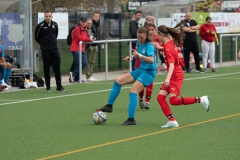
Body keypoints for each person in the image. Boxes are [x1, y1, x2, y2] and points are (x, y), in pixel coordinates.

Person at [96, 26, 157, 125]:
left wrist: (139, 56)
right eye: (138, 37)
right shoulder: (138, 43)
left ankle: (131, 119)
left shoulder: (149, 46)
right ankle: (109, 105)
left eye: (141, 38)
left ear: (146, 36)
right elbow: (137, 54)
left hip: (149, 73)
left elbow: (151, 60)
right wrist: (131, 57)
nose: (139, 39)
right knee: (117, 81)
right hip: (140, 70)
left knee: (133, 91)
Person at [153, 25, 210, 128]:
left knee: (173, 101)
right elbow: (169, 49)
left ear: (161, 35)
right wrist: (160, 47)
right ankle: (172, 120)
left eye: (157, 34)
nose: (157, 36)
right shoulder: (168, 43)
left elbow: (171, 65)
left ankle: (201, 99)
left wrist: (167, 78)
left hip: (176, 75)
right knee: (160, 97)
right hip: (174, 74)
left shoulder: (169, 46)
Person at [35, 11, 66, 93]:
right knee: (47, 68)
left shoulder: (55, 24)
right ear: (44, 17)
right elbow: (37, 37)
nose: (48, 17)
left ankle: (59, 86)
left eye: (49, 16)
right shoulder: (40, 26)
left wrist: (52, 44)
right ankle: (48, 87)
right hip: (46, 50)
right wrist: (44, 45)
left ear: (52, 16)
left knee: (57, 69)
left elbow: (55, 35)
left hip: (55, 49)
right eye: (46, 16)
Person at [136, 23, 158, 110]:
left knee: (149, 82)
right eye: (150, 30)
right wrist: (132, 56)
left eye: (153, 30)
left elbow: (152, 58)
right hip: (141, 65)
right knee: (140, 83)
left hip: (150, 67)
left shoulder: (151, 43)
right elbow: (136, 52)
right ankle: (141, 98)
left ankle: (147, 101)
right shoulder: (139, 41)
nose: (151, 31)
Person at [69, 17, 93, 83]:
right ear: (80, 22)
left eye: (85, 22)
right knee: (78, 63)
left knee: (84, 63)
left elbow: (85, 38)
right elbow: (80, 38)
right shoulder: (77, 28)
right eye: (83, 22)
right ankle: (74, 75)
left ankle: (75, 76)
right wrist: (89, 40)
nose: (84, 23)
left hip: (81, 48)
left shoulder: (85, 29)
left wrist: (89, 39)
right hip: (76, 48)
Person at [85, 11, 100, 82]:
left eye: (98, 16)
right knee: (89, 60)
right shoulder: (90, 24)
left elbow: (98, 33)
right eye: (95, 16)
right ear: (92, 16)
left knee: (93, 61)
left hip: (95, 44)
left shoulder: (98, 24)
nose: (96, 17)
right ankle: (88, 75)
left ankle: (91, 74)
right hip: (90, 45)